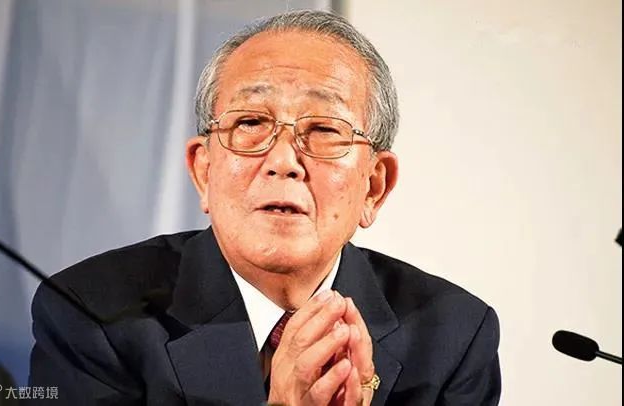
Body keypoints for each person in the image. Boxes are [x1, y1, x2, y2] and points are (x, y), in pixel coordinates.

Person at [28, 9, 501, 406]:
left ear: (374, 187)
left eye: (325, 129)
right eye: (251, 122)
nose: (283, 162)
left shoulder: (452, 335)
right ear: (203, 171)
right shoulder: (92, 316)